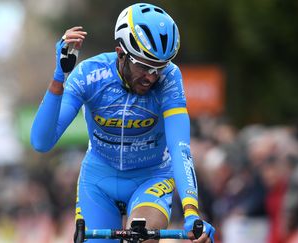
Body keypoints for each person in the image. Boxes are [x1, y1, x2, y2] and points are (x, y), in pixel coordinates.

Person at [31, 3, 215, 243]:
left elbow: (180, 147)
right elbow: (41, 142)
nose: (152, 76)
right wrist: (59, 78)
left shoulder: (170, 77)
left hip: (152, 176)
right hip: (99, 180)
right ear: (121, 53)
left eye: (158, 67)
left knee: (142, 237)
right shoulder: (89, 74)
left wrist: (192, 211)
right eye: (144, 66)